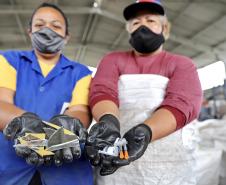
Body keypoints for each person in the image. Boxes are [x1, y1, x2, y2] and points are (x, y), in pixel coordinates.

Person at [85, 0, 202, 184]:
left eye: (150, 21)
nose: (143, 26)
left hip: (169, 164)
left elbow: (183, 102)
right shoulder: (112, 59)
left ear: (165, 28)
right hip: (117, 160)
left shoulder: (181, 63)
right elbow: (102, 91)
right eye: (136, 22)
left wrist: (145, 132)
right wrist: (108, 120)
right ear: (129, 29)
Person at [0, 3, 93, 185]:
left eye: (56, 26)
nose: (47, 30)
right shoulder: (8, 60)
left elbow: (80, 111)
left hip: (66, 171)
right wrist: (28, 123)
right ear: (30, 32)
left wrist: (66, 125)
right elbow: (2, 102)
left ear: (66, 37)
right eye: (39, 25)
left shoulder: (81, 73)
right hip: (10, 169)